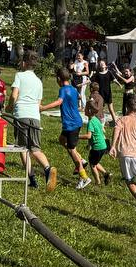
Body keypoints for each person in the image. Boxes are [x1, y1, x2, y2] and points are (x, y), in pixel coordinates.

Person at [9, 52, 56, 191]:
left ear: (24, 63)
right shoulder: (39, 81)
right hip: (35, 117)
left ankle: (32, 180)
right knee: (35, 149)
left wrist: (9, 106)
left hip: (21, 115)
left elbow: (14, 95)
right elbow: (38, 104)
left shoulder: (19, 75)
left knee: (23, 148)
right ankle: (48, 169)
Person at [40, 67, 89, 188]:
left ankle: (84, 177)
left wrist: (43, 108)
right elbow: (78, 97)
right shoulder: (72, 88)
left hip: (71, 124)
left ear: (58, 79)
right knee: (62, 140)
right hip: (76, 121)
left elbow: (58, 102)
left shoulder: (63, 89)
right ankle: (81, 160)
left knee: (72, 150)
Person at [84, 99, 111, 186]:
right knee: (95, 162)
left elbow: (89, 136)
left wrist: (78, 136)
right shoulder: (96, 119)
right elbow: (101, 131)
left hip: (97, 147)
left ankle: (97, 182)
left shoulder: (91, 122)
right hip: (103, 146)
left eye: (85, 108)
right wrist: (89, 144)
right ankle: (106, 174)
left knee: (92, 165)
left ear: (88, 110)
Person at [94, 60, 118, 125]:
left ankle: (115, 121)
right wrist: (83, 84)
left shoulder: (109, 72)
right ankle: (102, 123)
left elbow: (114, 79)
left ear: (105, 64)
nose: (102, 64)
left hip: (108, 93)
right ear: (99, 66)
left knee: (111, 109)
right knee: (101, 109)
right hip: (101, 94)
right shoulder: (97, 74)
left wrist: (119, 84)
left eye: (103, 63)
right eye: (100, 63)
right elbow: (91, 81)